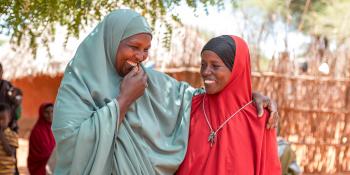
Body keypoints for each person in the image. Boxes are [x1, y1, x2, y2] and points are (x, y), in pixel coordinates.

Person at [52, 9, 279, 174]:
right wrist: (123, 101)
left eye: (146, 49)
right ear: (111, 42)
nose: (140, 57)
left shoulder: (147, 81)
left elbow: (190, 97)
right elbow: (71, 145)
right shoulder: (78, 86)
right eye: (133, 47)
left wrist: (247, 96)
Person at [176, 35, 281, 174]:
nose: (206, 72)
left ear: (237, 69)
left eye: (215, 66)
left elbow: (269, 169)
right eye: (203, 65)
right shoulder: (191, 105)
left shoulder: (259, 118)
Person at [27, 103, 55, 175]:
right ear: (41, 113)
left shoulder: (56, 129)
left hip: (54, 165)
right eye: (46, 112)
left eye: (52, 111)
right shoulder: (36, 131)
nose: (50, 115)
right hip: (40, 167)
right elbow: (38, 153)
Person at [0, 103, 18, 175]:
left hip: (7, 172)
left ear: (9, 119)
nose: (0, 122)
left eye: (3, 119)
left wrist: (1, 134)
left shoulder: (12, 135)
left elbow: (10, 152)